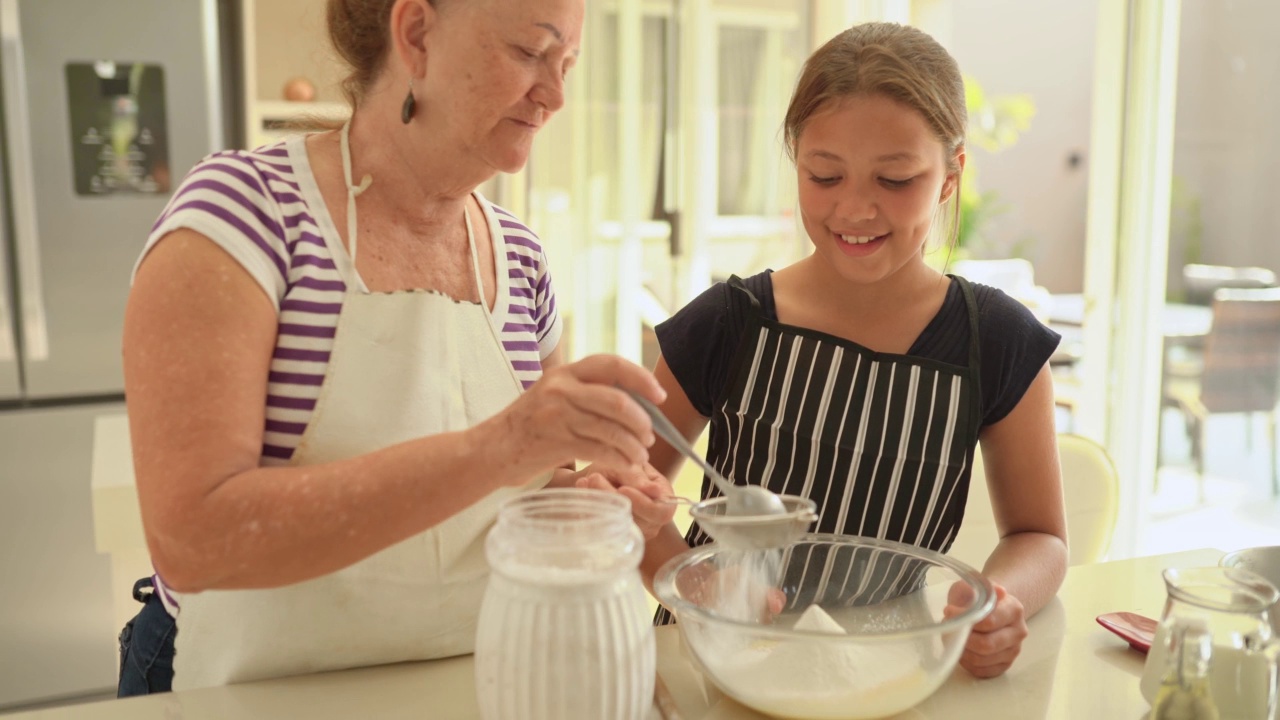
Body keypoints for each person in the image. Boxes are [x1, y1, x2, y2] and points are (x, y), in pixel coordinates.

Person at [117, 0, 675, 694]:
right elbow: (193, 541)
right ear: (416, 34)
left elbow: (525, 496)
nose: (556, 95)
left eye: (567, 65)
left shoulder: (520, 260)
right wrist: (500, 445)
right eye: (532, 52)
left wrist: (589, 498)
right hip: (251, 694)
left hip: (470, 685)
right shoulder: (246, 215)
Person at [636, 22, 1067, 679]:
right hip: (714, 660)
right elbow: (627, 498)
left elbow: (1040, 537)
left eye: (895, 180)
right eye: (825, 175)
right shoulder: (731, 322)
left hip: (882, 668)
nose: (856, 208)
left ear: (951, 176)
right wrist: (697, 588)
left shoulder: (997, 342)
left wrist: (998, 599)